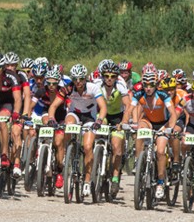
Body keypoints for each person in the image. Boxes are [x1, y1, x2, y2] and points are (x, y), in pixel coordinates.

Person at [47, 64, 107, 197]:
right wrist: (51, 118)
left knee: (87, 147)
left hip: (90, 117)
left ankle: (86, 180)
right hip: (74, 114)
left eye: (81, 79)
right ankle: (70, 149)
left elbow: (103, 107)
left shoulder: (93, 88)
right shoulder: (67, 88)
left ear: (85, 78)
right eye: (75, 79)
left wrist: (99, 120)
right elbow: (53, 106)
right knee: (68, 123)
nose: (78, 82)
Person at [130, 71, 177, 200]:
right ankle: (138, 161)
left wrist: (170, 128)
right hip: (148, 121)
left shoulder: (163, 95)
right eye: (145, 85)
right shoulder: (139, 94)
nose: (148, 88)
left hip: (163, 124)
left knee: (160, 151)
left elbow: (173, 114)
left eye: (151, 85)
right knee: (140, 130)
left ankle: (161, 182)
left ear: (156, 85)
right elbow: (130, 108)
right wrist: (125, 122)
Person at [98, 61, 132, 198]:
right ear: (103, 76)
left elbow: (128, 106)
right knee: (93, 136)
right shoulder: (97, 85)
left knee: (117, 148)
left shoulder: (120, 85)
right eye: (106, 76)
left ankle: (116, 177)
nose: (109, 78)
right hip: (103, 115)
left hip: (117, 117)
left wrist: (123, 122)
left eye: (112, 76)